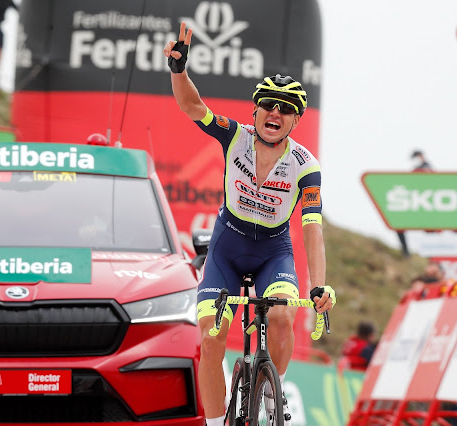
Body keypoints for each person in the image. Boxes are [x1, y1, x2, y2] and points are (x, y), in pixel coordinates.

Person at [164, 23, 335, 426]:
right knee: (211, 338)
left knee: (281, 317)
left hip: (273, 253)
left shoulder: (306, 167)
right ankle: (213, 421)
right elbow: (192, 107)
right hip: (227, 247)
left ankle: (273, 398)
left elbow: (313, 228)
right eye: (269, 105)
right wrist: (178, 71)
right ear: (255, 110)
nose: (275, 113)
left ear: (295, 121)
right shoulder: (233, 136)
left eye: (286, 109)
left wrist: (320, 285)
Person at [397, 149, 433, 256]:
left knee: (431, 232)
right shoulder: (414, 170)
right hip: (415, 204)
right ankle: (405, 251)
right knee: (399, 226)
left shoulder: (428, 168)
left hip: (428, 206)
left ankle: (431, 254)